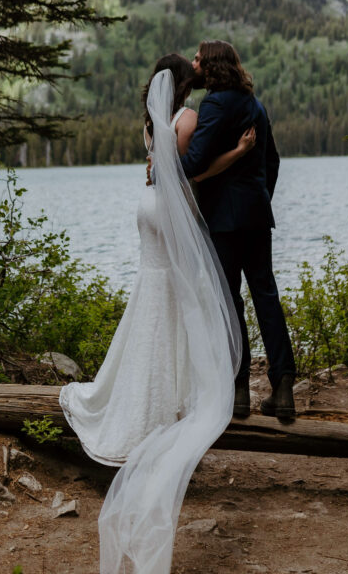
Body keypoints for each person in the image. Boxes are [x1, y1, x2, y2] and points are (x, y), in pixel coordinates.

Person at [59, 53, 253, 574]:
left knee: (154, 298)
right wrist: (235, 154)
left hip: (143, 208)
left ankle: (141, 399)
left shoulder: (152, 120)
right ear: (188, 85)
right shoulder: (185, 119)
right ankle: (162, 408)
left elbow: (159, 166)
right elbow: (190, 172)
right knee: (176, 295)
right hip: (167, 210)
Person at [180, 39, 296, 421]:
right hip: (256, 216)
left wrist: (165, 156)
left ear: (211, 66)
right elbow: (273, 161)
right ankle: (283, 389)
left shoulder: (214, 103)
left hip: (225, 221)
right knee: (266, 296)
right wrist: (258, 199)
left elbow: (194, 161)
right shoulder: (254, 105)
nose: (193, 64)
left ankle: (240, 389)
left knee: (229, 302)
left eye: (198, 59)